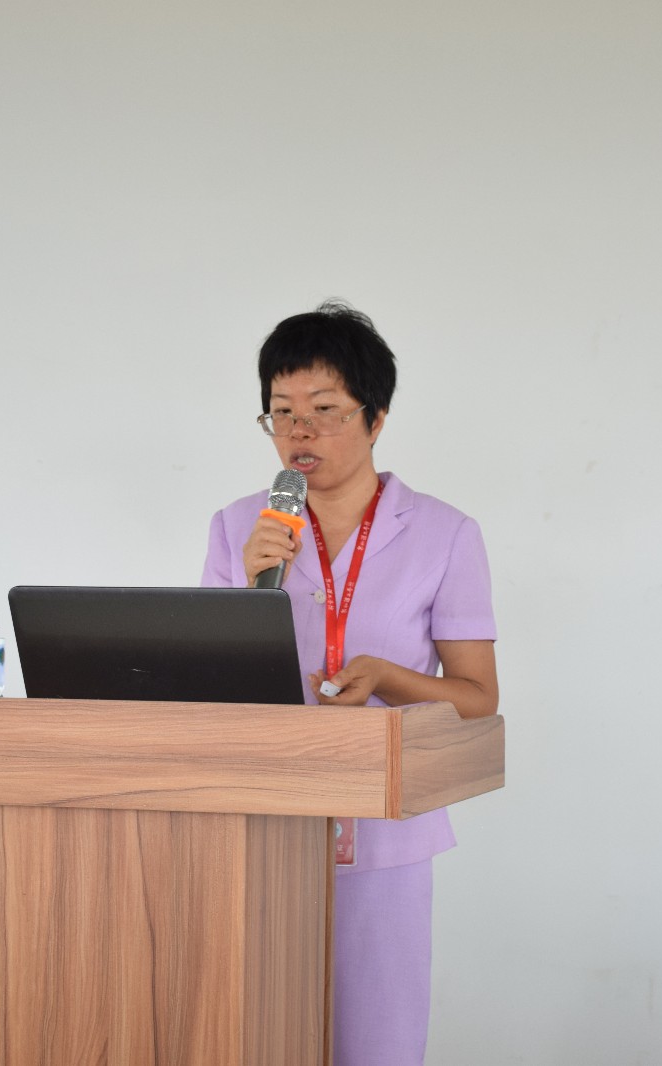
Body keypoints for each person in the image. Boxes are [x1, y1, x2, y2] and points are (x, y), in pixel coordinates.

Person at [201, 300, 499, 1065]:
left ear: (376, 417)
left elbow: (476, 699)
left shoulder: (444, 534)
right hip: (260, 820)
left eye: (324, 410)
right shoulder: (239, 528)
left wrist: (390, 677)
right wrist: (250, 589)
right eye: (281, 412)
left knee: (376, 1044)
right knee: (255, 1038)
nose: (299, 432)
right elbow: (205, 690)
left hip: (385, 824)